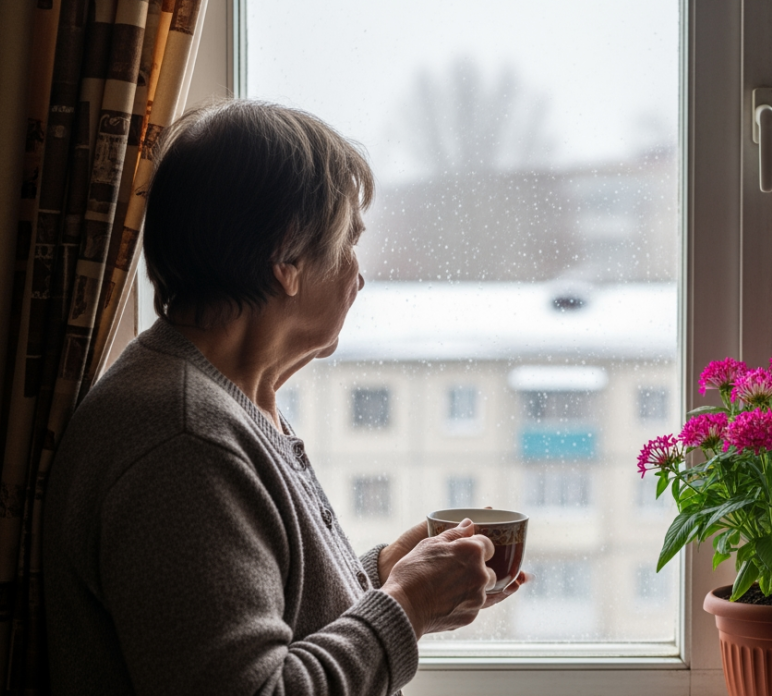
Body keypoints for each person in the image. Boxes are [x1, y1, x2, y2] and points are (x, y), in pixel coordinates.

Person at [42, 100, 526, 695]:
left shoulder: (218, 401)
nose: (358, 273)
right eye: (348, 240)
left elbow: (260, 618)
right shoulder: (185, 441)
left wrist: (375, 577)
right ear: (287, 258)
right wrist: (406, 605)